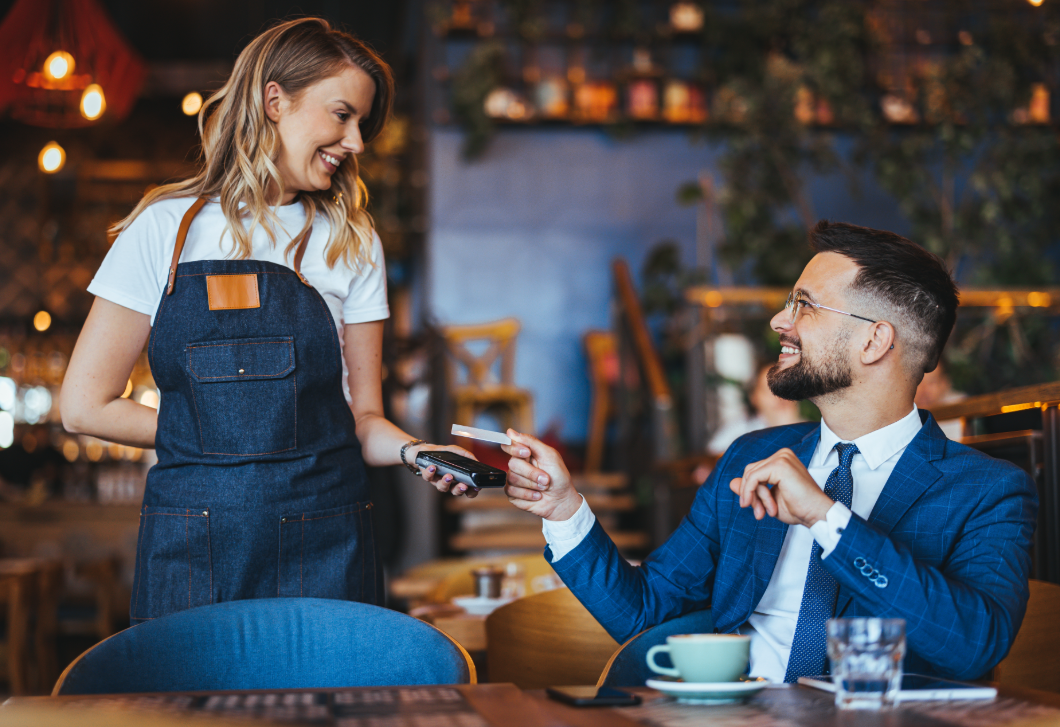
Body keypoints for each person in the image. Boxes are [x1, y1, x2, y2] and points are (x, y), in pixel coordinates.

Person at [60, 18, 476, 625]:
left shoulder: (351, 241)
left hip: (328, 536)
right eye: (342, 115)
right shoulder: (163, 231)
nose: (356, 141)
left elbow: (362, 417)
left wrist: (418, 452)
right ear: (275, 101)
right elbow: (83, 406)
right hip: (193, 546)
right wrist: (220, 434)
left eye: (362, 123)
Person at [502, 221, 1037, 683]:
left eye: (803, 305)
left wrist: (827, 518)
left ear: (874, 342)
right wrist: (564, 510)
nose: (781, 321)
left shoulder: (985, 489)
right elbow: (645, 613)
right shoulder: (749, 457)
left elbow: (973, 645)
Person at [707, 363, 806, 455]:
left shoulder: (813, 432)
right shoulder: (738, 432)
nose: (781, 397)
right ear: (754, 397)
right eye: (771, 390)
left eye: (786, 387)